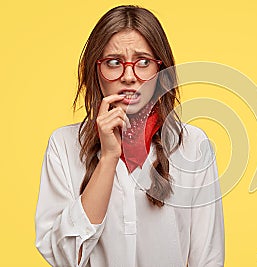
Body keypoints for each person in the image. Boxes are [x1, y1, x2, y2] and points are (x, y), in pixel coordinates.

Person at [35, 5, 224, 267]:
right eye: (113, 63)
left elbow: (208, 258)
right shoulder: (63, 145)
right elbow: (66, 258)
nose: (128, 76)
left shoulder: (193, 145)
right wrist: (109, 157)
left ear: (161, 70)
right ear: (96, 71)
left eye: (143, 62)